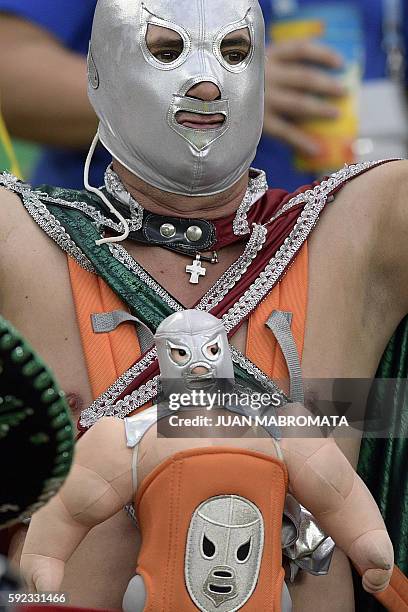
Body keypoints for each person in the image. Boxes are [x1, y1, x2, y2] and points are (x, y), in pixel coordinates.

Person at [0, 0, 407, 610]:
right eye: (165, 50)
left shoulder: (364, 225)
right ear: (96, 71)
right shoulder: (16, 235)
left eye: (236, 52)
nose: (208, 80)